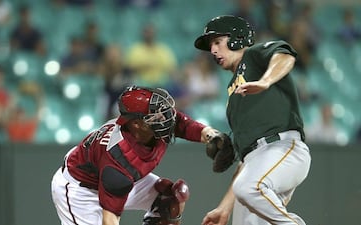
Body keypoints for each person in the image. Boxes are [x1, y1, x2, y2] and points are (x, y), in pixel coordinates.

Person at [194, 15, 311, 225]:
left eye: (217, 42)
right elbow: (245, 163)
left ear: (237, 38)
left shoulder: (254, 56)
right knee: (246, 196)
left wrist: (265, 81)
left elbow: (285, 56)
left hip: (283, 147)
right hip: (255, 161)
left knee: (248, 187)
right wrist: (224, 207)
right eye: (211, 45)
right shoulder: (233, 95)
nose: (212, 50)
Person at [51, 85, 224, 225]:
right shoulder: (119, 160)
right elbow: (110, 219)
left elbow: (183, 124)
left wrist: (213, 136)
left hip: (109, 179)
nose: (166, 118)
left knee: (168, 200)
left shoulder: (154, 128)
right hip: (81, 192)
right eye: (156, 117)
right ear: (136, 124)